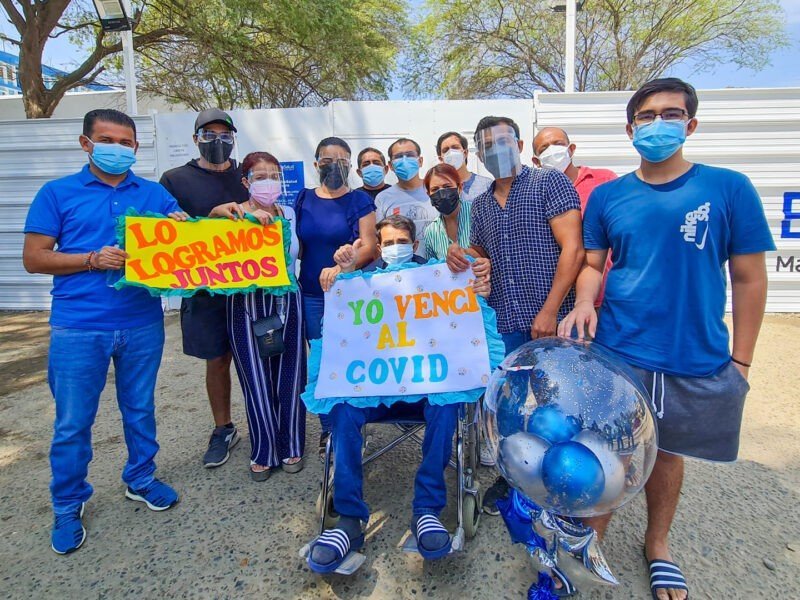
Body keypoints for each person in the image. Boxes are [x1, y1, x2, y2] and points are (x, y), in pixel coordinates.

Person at [557, 78, 774, 600]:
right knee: (605, 448)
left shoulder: (728, 188)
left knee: (668, 454)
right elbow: (591, 265)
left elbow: (749, 278)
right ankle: (590, 544)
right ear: (631, 129)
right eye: (647, 116)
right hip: (619, 349)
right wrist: (586, 300)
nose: (658, 124)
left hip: (692, 354)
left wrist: (741, 362)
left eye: (670, 114)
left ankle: (658, 546)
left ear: (690, 124)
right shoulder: (608, 196)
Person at [23, 109, 187, 555]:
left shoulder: (154, 195)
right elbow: (35, 258)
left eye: (126, 143)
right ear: (86, 143)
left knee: (140, 409)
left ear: (136, 148)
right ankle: (68, 503)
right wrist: (90, 259)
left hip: (141, 321)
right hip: (78, 326)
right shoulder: (57, 193)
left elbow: (186, 245)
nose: (118, 148)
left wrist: (183, 232)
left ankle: (140, 478)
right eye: (107, 139)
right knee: (73, 422)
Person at [306, 215, 466, 573]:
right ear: (379, 248)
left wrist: (476, 280)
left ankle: (427, 510)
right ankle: (349, 518)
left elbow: (465, 311)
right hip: (376, 390)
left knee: (448, 404)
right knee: (343, 409)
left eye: (403, 241)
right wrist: (338, 276)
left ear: (415, 243)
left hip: (424, 387)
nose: (397, 248)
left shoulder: (440, 278)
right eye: (389, 242)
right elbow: (341, 325)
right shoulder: (361, 282)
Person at [446, 115, 584, 516]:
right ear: (479, 154)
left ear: (520, 144)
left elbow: (572, 249)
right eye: (487, 145)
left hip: (552, 321)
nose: (496, 150)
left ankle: (560, 483)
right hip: (506, 321)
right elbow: (482, 257)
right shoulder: (482, 205)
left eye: (503, 141)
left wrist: (551, 309)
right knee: (510, 406)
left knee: (556, 404)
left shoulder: (548, 183)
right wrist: (462, 255)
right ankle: (512, 480)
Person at [159, 108, 249, 469]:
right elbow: (168, 235)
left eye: (225, 135)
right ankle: (223, 427)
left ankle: (267, 421)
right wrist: (207, 218)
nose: (218, 142)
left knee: (262, 357)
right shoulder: (174, 179)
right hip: (204, 290)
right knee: (217, 358)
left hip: (251, 285)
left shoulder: (247, 176)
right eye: (209, 135)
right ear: (195, 138)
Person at [208, 152, 306, 481]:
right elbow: (202, 241)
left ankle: (291, 443)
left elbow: (297, 254)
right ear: (246, 182)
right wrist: (214, 213)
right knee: (255, 377)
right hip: (244, 303)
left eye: (274, 175)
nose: (269, 182)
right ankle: (263, 448)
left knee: (291, 375)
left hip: (287, 301)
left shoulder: (289, 212)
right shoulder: (233, 215)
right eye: (260, 176)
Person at [296, 137, 378, 457]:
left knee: (350, 361)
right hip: (312, 297)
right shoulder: (303, 199)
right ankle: (328, 430)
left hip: (349, 296)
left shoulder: (359, 200)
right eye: (327, 161)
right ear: (316, 164)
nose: (334, 166)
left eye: (342, 161)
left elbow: (370, 246)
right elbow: (294, 245)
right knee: (321, 363)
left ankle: (354, 429)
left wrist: (343, 267)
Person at [422, 163, 495, 466]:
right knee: (456, 375)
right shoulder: (430, 232)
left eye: (446, 186)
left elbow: (490, 254)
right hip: (449, 317)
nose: (442, 194)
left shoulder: (479, 215)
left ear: (460, 186)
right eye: (434, 191)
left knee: (486, 374)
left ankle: (488, 435)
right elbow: (426, 276)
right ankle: (455, 436)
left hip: (485, 306)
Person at [533, 127, 617, 306]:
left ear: (571, 149)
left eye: (558, 144)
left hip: (602, 296)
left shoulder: (604, 180)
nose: (552, 151)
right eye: (544, 149)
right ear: (536, 161)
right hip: (558, 300)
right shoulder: (534, 195)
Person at [375, 138, 439, 257]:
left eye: (410, 155)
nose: (404, 160)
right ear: (391, 165)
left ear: (420, 161)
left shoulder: (435, 189)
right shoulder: (383, 198)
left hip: (437, 266)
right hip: (403, 270)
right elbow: (380, 238)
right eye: (398, 156)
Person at [436, 131, 492, 201]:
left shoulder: (486, 185)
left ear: (465, 153)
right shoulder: (438, 189)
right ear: (441, 159)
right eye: (445, 150)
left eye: (455, 147)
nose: (451, 152)